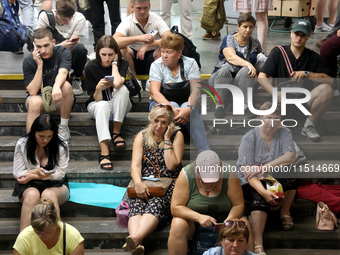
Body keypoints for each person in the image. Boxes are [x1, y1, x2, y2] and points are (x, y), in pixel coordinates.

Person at [258, 19, 334, 142]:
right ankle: (287, 141)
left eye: (303, 35)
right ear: (291, 33)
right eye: (297, 34)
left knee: (326, 89)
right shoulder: (278, 52)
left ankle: (309, 125)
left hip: (304, 102)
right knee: (266, 113)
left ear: (309, 36)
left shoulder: (313, 57)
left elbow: (330, 81)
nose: (299, 38)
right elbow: (261, 77)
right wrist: (274, 93)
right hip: (281, 103)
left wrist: (307, 74)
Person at [123, 104, 184, 255]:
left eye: (164, 122)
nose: (159, 125)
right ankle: (136, 244)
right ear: (151, 120)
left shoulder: (177, 135)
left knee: (155, 203)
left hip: (169, 185)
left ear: (169, 124)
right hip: (145, 182)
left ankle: (135, 239)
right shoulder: (142, 136)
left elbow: (171, 165)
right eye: (156, 121)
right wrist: (138, 183)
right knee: (137, 202)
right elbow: (135, 166)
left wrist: (167, 139)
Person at [236, 102, 296, 255]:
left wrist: (262, 168)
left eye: (276, 119)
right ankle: (258, 245)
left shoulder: (285, 133)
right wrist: (264, 193)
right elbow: (247, 172)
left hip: (270, 175)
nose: (272, 123)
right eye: (268, 118)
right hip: (251, 181)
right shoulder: (249, 138)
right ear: (261, 117)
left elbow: (290, 157)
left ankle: (284, 213)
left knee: (292, 172)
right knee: (258, 197)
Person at [168, 150, 246, 255]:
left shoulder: (229, 173)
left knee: (243, 223)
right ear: (197, 169)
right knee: (177, 224)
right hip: (193, 222)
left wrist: (229, 221)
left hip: (225, 218)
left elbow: (238, 204)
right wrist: (198, 217)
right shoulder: (186, 174)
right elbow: (176, 207)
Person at [149, 33, 210, 153]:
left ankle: (205, 151)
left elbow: (196, 90)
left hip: (184, 102)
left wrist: (189, 109)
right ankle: (166, 149)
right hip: (161, 103)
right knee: (174, 105)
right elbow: (154, 93)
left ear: (179, 53)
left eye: (169, 52)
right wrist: (172, 109)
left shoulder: (190, 63)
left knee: (185, 107)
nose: (164, 56)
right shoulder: (156, 65)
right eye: (163, 51)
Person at [12, 114, 70, 231]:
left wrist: (34, 176)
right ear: (34, 133)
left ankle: (56, 239)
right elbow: (17, 172)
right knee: (33, 195)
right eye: (41, 136)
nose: (45, 140)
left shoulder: (61, 145)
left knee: (48, 195)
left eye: (49, 136)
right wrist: (34, 173)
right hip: (29, 185)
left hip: (55, 184)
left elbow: (60, 173)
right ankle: (23, 243)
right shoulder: (23, 143)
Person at [85, 35, 131, 170]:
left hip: (119, 103)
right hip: (97, 103)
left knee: (122, 89)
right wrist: (98, 88)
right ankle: (104, 151)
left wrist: (115, 64)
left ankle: (116, 132)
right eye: (103, 54)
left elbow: (117, 84)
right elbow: (96, 99)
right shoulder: (91, 67)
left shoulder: (122, 63)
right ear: (98, 54)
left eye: (110, 55)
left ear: (116, 53)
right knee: (103, 104)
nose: (107, 58)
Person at [209, 13, 266, 118]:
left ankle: (245, 106)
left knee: (246, 71)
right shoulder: (229, 39)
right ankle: (219, 105)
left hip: (242, 80)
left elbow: (260, 59)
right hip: (221, 78)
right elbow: (231, 57)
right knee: (224, 71)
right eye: (245, 27)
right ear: (238, 26)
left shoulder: (255, 43)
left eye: (251, 27)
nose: (248, 30)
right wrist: (248, 64)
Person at [23, 28, 73, 141]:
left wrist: (56, 86)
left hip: (59, 99)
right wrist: (39, 65)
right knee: (35, 100)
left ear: (53, 42)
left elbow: (63, 72)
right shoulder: (29, 60)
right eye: (39, 47)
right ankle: (30, 141)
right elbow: (32, 91)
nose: (43, 50)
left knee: (66, 86)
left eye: (46, 45)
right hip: (39, 102)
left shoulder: (62, 52)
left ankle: (63, 127)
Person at [37, 0, 88, 96]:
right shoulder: (45, 17)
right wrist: (60, 46)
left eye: (70, 18)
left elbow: (73, 43)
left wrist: (64, 46)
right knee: (41, 51)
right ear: (56, 12)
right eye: (64, 20)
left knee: (80, 49)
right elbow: (39, 42)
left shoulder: (79, 18)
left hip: (69, 52)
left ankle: (76, 78)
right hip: (51, 52)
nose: (68, 22)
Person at [113, 0, 171, 80]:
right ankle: (134, 79)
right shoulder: (127, 21)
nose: (142, 11)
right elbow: (114, 41)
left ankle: (154, 79)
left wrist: (148, 45)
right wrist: (138, 38)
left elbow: (171, 40)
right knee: (122, 49)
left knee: (163, 49)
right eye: (139, 8)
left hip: (153, 55)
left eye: (145, 8)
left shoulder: (156, 19)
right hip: (133, 57)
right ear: (132, 7)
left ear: (149, 6)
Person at [13, 198, 84, 255]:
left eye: (47, 232)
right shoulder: (24, 239)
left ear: (56, 223)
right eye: (37, 232)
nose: (41, 236)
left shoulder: (72, 237)